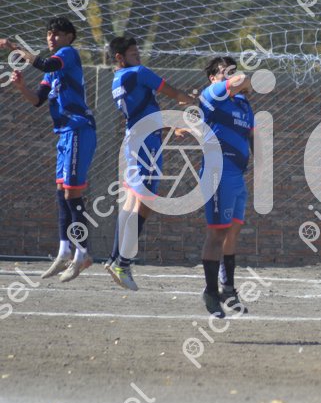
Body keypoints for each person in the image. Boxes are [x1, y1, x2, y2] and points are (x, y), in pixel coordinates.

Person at [1, 17, 97, 282]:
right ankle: (64, 251)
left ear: (68, 37)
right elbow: (37, 100)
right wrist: (22, 87)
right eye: (49, 34)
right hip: (65, 134)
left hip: (78, 129)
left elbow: (45, 63)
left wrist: (12, 46)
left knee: (72, 193)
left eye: (57, 33)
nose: (51, 38)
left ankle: (83, 253)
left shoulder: (67, 54)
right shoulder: (52, 72)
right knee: (61, 191)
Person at [107, 36, 193, 290]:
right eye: (133, 54)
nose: (139, 57)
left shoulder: (117, 80)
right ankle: (122, 263)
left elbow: (142, 113)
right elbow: (171, 91)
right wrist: (189, 98)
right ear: (119, 57)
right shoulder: (138, 72)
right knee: (145, 202)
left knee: (132, 200)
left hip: (137, 139)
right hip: (145, 144)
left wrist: (170, 127)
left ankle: (114, 258)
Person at [195, 68, 254, 318]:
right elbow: (243, 79)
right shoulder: (212, 95)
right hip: (218, 173)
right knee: (217, 233)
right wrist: (242, 79)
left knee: (232, 232)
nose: (230, 75)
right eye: (224, 72)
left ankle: (227, 289)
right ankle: (210, 293)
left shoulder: (242, 105)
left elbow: (250, 135)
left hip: (237, 176)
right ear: (213, 78)